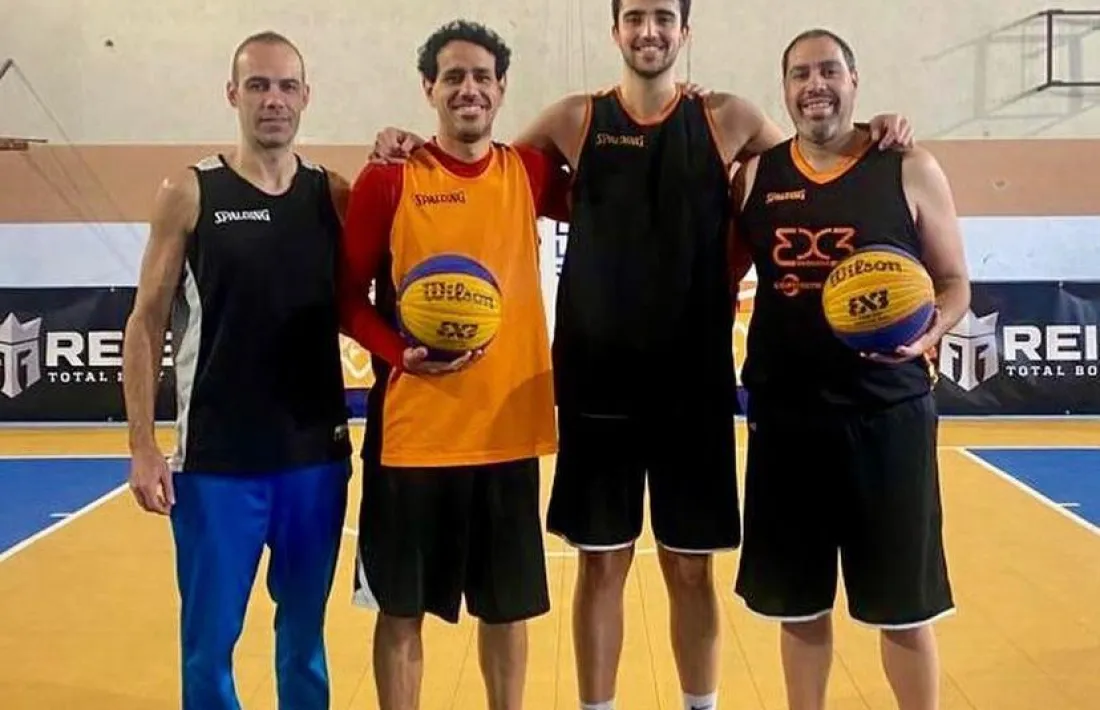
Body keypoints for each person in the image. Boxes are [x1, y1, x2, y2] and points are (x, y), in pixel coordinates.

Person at [368, 4, 913, 709]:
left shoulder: (729, 118)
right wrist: (407, 142)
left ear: (685, 32)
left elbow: (814, 168)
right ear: (616, 31)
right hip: (598, 382)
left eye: (663, 17)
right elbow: (486, 165)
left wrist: (877, 131)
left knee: (691, 569)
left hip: (694, 384)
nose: (649, 30)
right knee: (602, 565)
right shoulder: (575, 119)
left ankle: (699, 704)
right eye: (635, 17)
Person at [728, 28, 969, 710]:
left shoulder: (907, 164)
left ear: (855, 82)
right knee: (798, 604)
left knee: (902, 606)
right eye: (800, 73)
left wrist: (930, 328)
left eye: (829, 70)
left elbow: (953, 283)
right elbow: (716, 275)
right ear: (785, 90)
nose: (815, 85)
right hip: (786, 415)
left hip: (886, 415)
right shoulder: (760, 174)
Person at [338, 19, 570, 710]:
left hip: (506, 431)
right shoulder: (388, 179)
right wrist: (396, 356)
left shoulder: (529, 172)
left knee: (507, 611)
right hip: (414, 439)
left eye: (482, 77)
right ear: (428, 90)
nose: (468, 89)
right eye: (453, 77)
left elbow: (623, 191)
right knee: (401, 609)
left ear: (502, 92)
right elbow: (344, 296)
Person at [121, 31, 353, 710]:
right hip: (217, 466)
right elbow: (145, 320)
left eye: (286, 86)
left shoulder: (330, 195)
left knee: (305, 638)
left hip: (315, 461)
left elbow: (377, 299)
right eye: (258, 85)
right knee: (209, 644)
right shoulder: (191, 193)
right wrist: (141, 444)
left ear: (306, 98)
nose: (273, 100)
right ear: (233, 95)